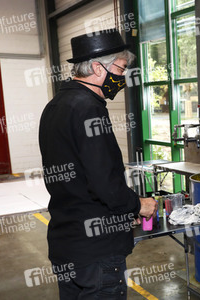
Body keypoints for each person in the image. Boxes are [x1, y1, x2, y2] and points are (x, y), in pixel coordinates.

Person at [39, 29, 157, 299]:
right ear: (97, 67)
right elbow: (105, 184)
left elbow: (77, 176)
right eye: (121, 68)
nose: (123, 77)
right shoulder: (89, 109)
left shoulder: (56, 105)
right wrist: (139, 204)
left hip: (67, 242)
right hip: (97, 249)